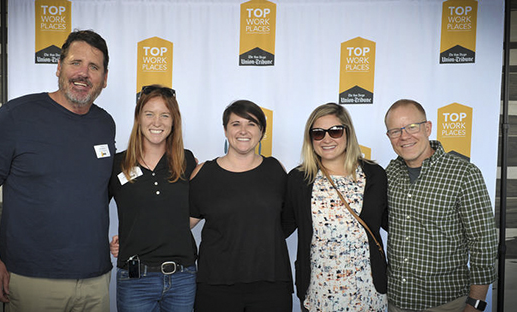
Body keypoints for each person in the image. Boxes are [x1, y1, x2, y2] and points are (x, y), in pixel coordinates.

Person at [0, 30, 114, 311]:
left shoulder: (105, 124)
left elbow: (96, 191)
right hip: (31, 279)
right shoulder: (16, 116)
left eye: (94, 67)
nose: (83, 73)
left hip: (95, 279)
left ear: (104, 79)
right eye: (76, 63)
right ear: (59, 67)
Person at [384, 99, 497, 312]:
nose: (404, 136)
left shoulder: (464, 174)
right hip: (396, 301)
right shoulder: (388, 174)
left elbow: (484, 243)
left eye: (412, 127)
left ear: (427, 127)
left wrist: (476, 304)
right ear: (389, 137)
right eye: (395, 131)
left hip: (447, 303)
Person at [283, 103, 388, 312]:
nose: (327, 139)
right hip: (318, 294)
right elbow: (280, 228)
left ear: (348, 134)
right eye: (318, 133)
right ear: (310, 139)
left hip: (368, 292)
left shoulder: (375, 174)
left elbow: (394, 223)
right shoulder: (299, 179)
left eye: (335, 131)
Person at [189, 100, 293, 312]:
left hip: (271, 284)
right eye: (236, 124)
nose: (243, 131)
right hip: (216, 286)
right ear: (225, 130)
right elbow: (182, 224)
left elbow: (287, 221)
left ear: (262, 131)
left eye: (251, 124)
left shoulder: (275, 169)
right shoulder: (204, 173)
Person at [108, 85, 197, 311]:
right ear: (138, 118)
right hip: (135, 280)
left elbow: (200, 209)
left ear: (173, 121)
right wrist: (108, 241)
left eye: (164, 115)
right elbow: (92, 208)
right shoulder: (118, 164)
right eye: (149, 114)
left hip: (182, 279)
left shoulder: (187, 161)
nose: (156, 122)